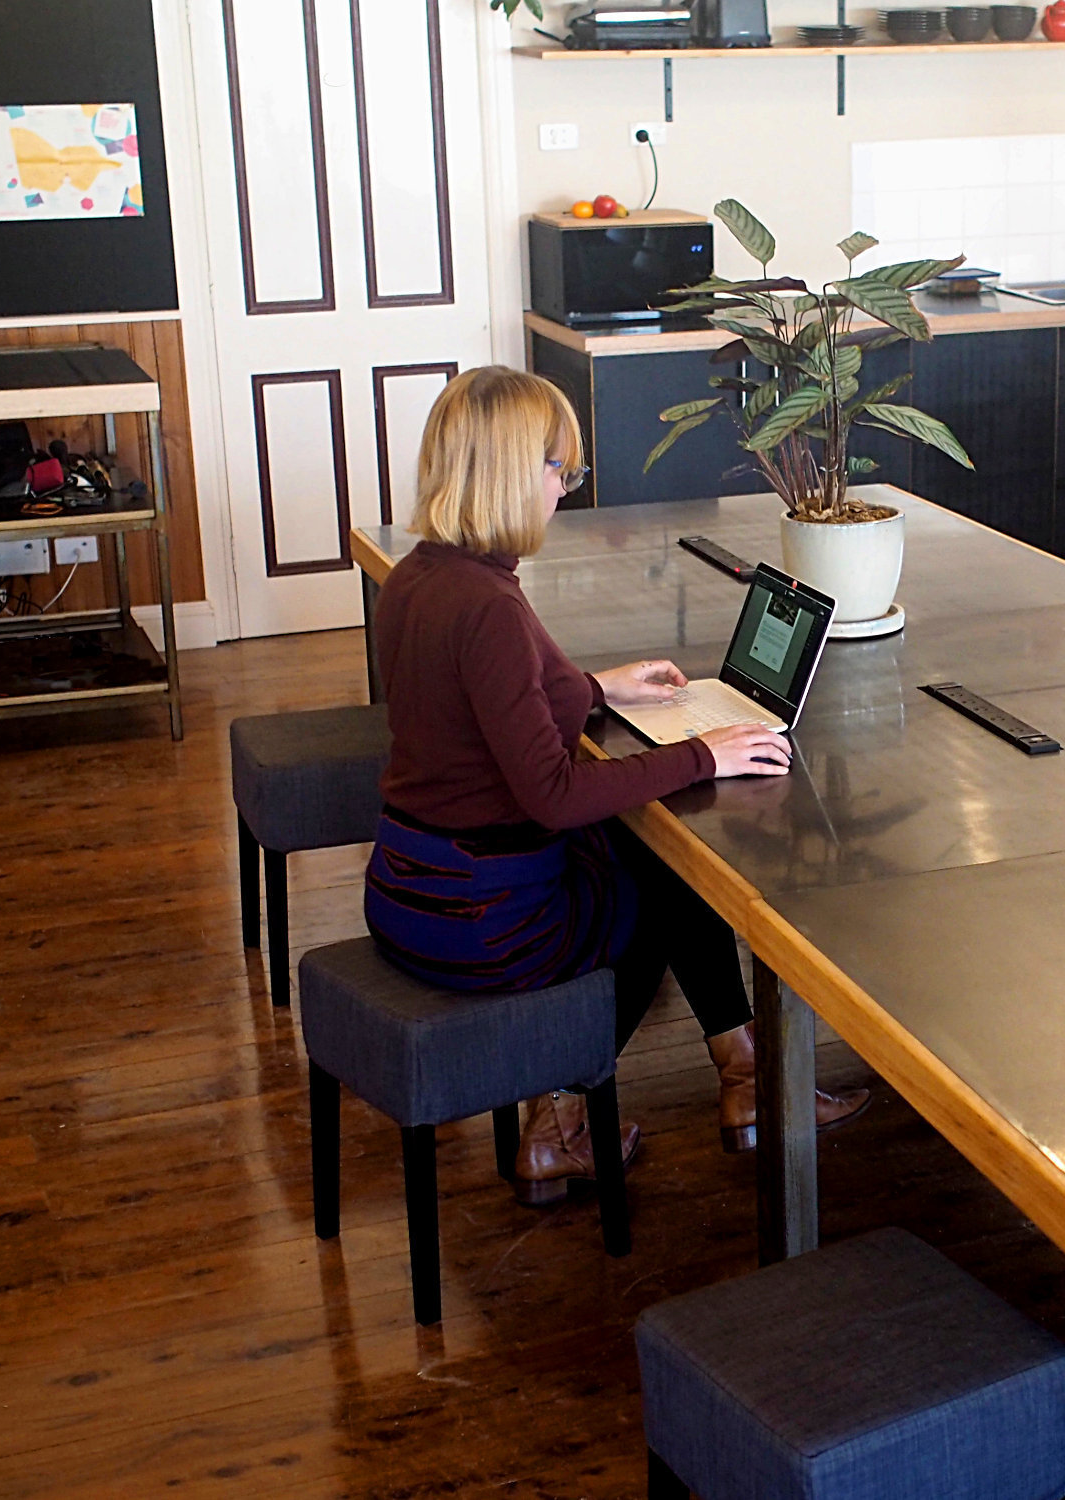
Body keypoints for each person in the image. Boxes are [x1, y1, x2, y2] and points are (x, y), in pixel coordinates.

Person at [363, 366, 869, 1206]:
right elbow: (554, 796)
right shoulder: (489, 603)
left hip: (411, 887)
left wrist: (599, 691)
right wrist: (706, 754)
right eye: (560, 469)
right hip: (483, 921)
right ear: (508, 473)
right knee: (667, 879)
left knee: (649, 862)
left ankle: (740, 1070)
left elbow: (484, 705)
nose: (566, 488)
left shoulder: (425, 575)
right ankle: (571, 1121)